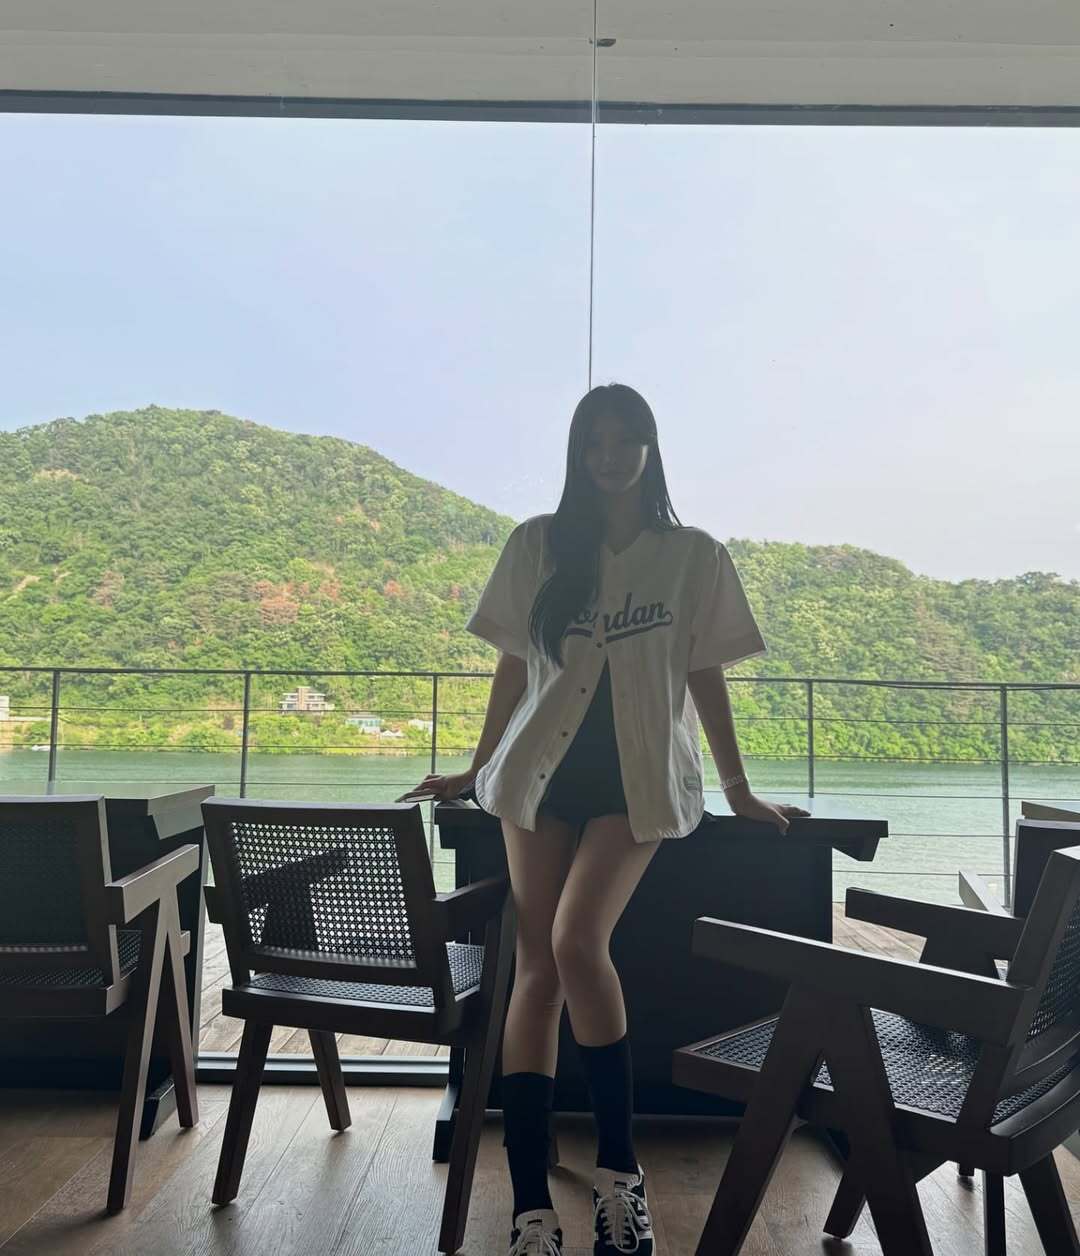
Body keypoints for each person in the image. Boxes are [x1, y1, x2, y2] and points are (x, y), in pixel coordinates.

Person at [399, 383, 809, 1256]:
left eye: (627, 441)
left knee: (577, 942)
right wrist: (474, 767)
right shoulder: (538, 544)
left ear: (651, 450)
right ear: (578, 453)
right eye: (596, 442)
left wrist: (738, 788)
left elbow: (704, 674)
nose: (611, 457)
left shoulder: (693, 556)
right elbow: (514, 669)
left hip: (637, 783)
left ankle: (622, 1175)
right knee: (538, 969)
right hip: (535, 778)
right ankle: (529, 1207)